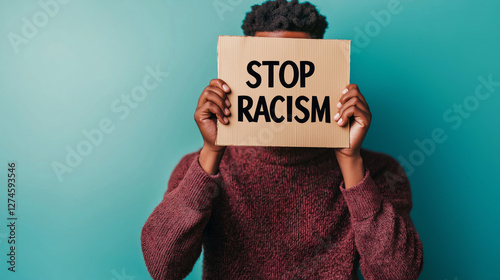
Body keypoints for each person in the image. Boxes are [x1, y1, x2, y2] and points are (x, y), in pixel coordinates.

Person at [140, 0, 424, 279]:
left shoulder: (376, 172)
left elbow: (398, 274)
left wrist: (351, 163)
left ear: (320, 67)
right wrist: (212, 152)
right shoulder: (199, 169)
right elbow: (163, 267)